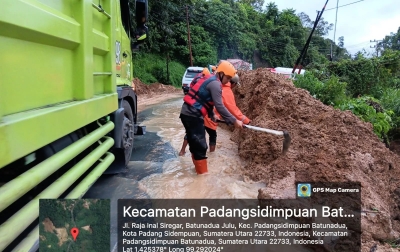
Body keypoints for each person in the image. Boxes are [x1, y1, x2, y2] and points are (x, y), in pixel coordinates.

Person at [179, 60, 243, 175]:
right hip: (193, 115)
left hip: (188, 113)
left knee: (195, 143)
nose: (228, 81)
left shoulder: (211, 79)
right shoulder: (216, 84)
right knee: (201, 146)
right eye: (228, 78)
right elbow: (220, 106)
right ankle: (202, 177)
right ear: (221, 74)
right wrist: (234, 120)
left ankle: (197, 171)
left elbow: (203, 98)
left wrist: (211, 114)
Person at [179, 74, 250, 154]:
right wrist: (246, 121)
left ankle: (182, 151)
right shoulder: (226, 90)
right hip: (210, 117)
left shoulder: (215, 82)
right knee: (212, 136)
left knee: (192, 132)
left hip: (200, 113)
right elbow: (232, 109)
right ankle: (211, 155)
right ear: (233, 83)